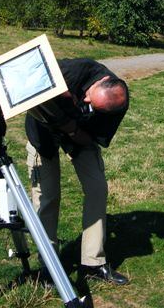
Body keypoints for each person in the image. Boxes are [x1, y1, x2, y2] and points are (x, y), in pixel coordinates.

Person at [25, 58, 130, 285]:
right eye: (88, 95)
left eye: (91, 105)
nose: (85, 100)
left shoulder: (115, 105)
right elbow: (27, 78)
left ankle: (94, 262)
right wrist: (60, 95)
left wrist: (69, 127)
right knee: (46, 196)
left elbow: (88, 138)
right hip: (42, 131)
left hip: (77, 134)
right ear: (102, 80)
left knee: (97, 189)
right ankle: (48, 264)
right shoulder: (74, 70)